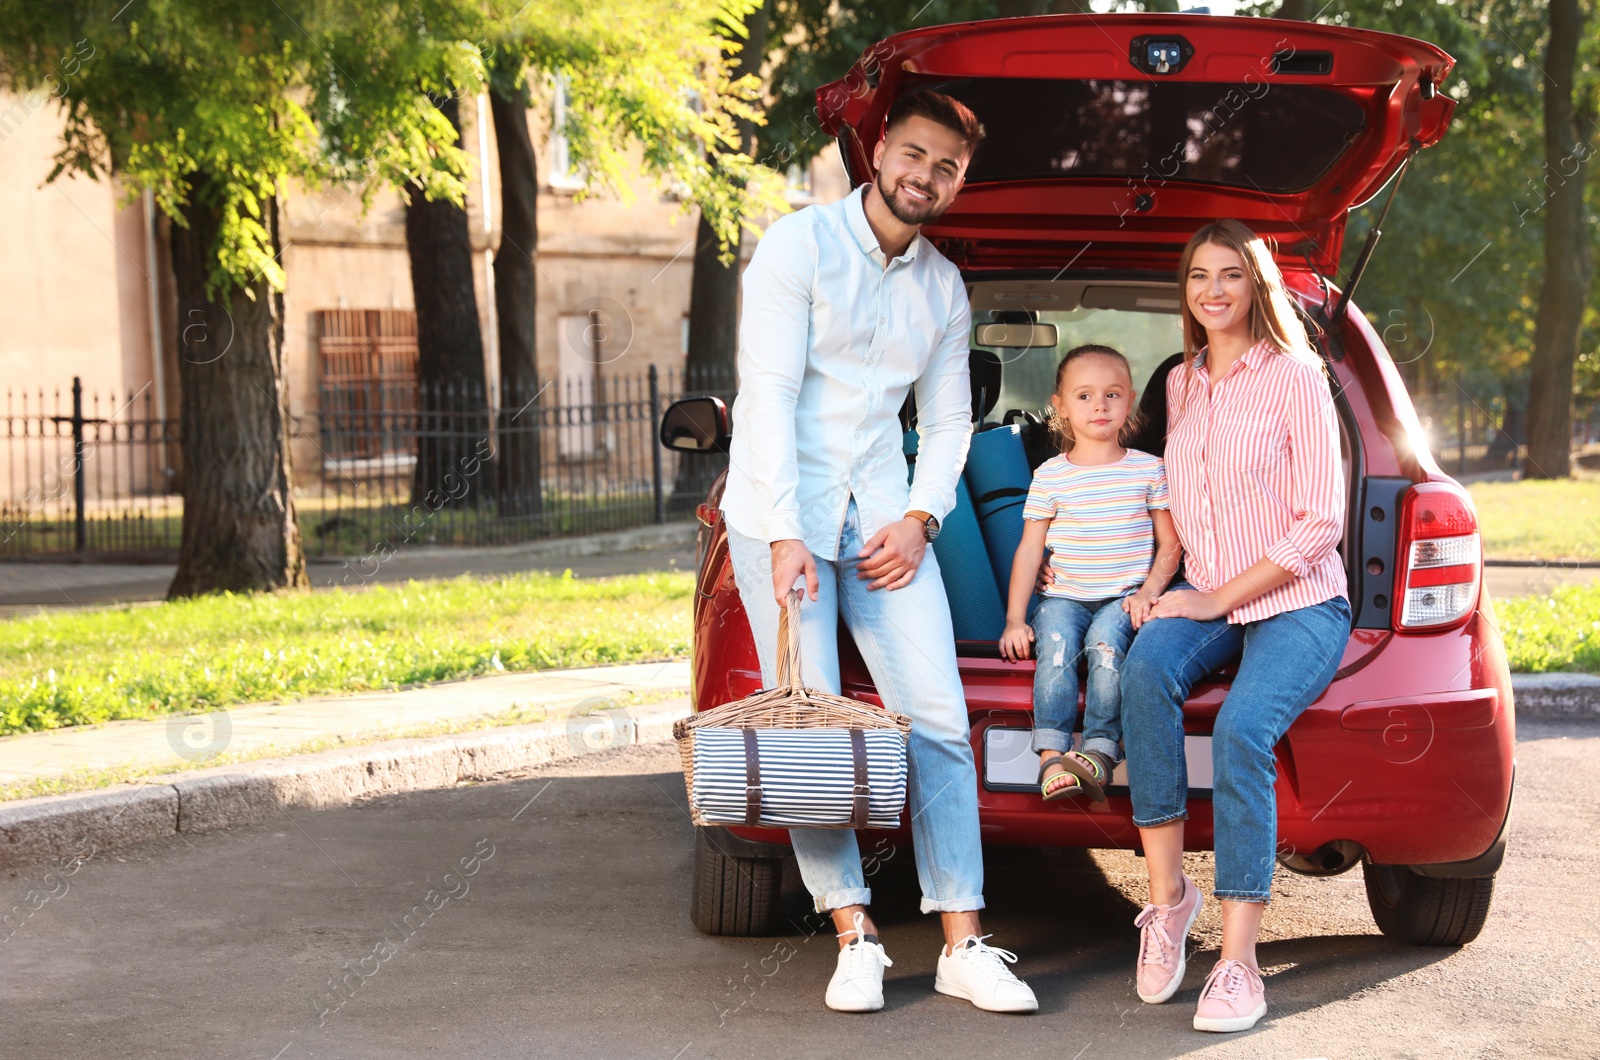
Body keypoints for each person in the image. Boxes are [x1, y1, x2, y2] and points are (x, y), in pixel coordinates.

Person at [719, 91, 1038, 1015]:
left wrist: (923, 520)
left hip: (883, 523)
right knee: (812, 721)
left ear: (960, 180)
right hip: (780, 511)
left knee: (938, 717)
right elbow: (769, 394)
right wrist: (785, 534)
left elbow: (946, 422)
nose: (925, 177)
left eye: (947, 167)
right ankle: (853, 933)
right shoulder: (797, 246)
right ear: (878, 150)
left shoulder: (942, 285)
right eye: (913, 154)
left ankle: (963, 943)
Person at [1119, 219, 1352, 1033]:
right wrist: (1157, 587)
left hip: (1299, 598)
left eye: (1230, 275)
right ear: (1184, 292)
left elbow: (1318, 522)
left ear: (1257, 285)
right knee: (1143, 671)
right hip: (1207, 588)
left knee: (1243, 730)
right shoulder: (1182, 383)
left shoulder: (1295, 376)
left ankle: (1239, 962)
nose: (1213, 290)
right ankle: (1169, 902)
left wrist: (1216, 600)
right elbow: (1180, 510)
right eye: (1197, 276)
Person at [998, 345, 1180, 804]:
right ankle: (1051, 758)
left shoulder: (1148, 469)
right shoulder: (1050, 475)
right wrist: (1015, 619)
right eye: (1084, 396)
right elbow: (1029, 550)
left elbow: (1171, 544)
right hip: (1062, 596)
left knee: (1105, 646)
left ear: (1130, 400)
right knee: (1055, 648)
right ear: (1059, 404)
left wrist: (1149, 592)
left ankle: (1099, 751)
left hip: (1122, 597)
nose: (1099, 405)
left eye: (1112, 394)